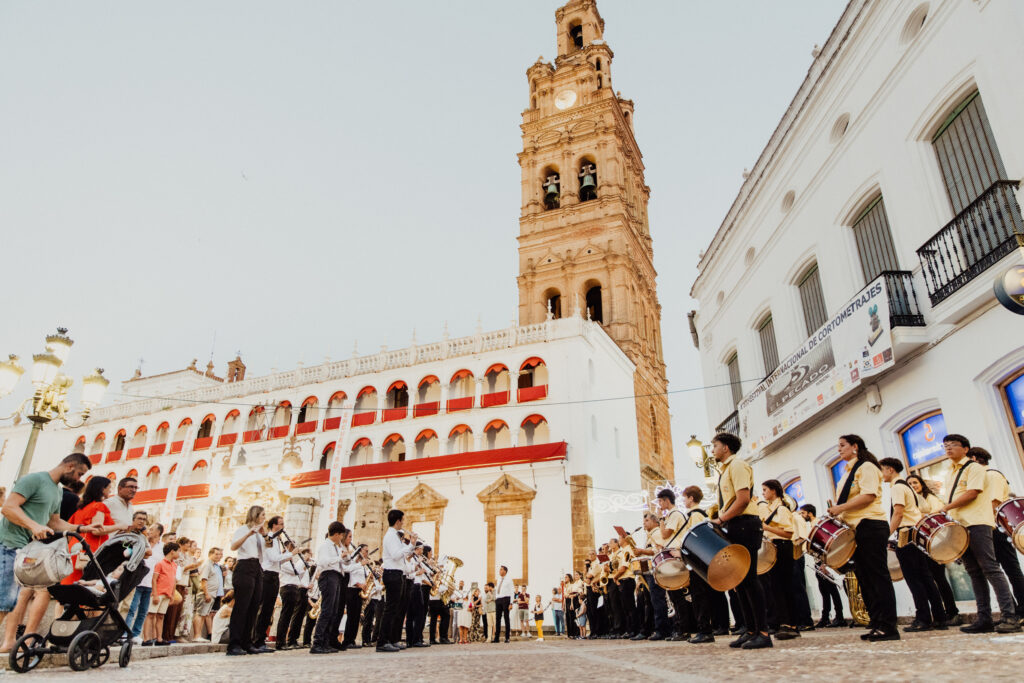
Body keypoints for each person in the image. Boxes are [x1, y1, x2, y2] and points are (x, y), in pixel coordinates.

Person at [1, 453, 98, 653]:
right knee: (4, 599)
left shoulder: (57, 491)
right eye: (79, 474)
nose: (79, 480)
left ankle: (9, 642)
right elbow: (8, 508)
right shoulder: (34, 480)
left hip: (24, 549)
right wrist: (33, 526)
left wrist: (81, 529)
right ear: (70, 466)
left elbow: (54, 522)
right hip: (7, 544)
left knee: (11, 601)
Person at [939, 434, 1020, 633]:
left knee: (991, 568)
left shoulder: (974, 468)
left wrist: (945, 507)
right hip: (960, 526)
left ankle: (1010, 616)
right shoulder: (949, 472)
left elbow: (972, 493)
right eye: (945, 446)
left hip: (977, 522)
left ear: (966, 449)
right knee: (974, 572)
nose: (948, 448)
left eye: (953, 445)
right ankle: (984, 618)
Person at [828, 434, 899, 641]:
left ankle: (888, 626)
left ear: (855, 446)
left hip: (870, 524)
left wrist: (840, 508)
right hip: (855, 528)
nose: (839, 449)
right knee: (865, 579)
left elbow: (869, 496)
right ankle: (876, 623)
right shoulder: (848, 471)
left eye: (842, 445)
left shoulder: (867, 466)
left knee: (878, 576)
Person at [709, 433, 771, 650]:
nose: (712, 450)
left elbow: (743, 499)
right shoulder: (726, 469)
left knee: (750, 579)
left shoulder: (737, 465)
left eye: (714, 446)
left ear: (725, 447)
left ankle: (763, 632)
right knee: (740, 581)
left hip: (744, 523)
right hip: (735, 524)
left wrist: (721, 519)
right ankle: (751, 630)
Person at [879, 457, 947, 632]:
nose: (881, 474)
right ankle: (939, 617)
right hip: (916, 533)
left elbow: (899, 513)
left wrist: (886, 534)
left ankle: (923, 618)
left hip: (906, 533)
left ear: (890, 469)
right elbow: (922, 508)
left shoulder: (897, 487)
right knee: (925, 577)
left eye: (882, 470)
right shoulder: (907, 486)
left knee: (913, 578)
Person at [969, 447, 1024, 616]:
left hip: (996, 527)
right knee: (997, 570)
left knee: (1011, 569)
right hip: (986, 527)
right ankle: (1014, 610)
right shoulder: (980, 477)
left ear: (974, 458)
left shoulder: (991, 475)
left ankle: (1022, 609)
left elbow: (993, 503)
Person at [907, 474, 960, 625]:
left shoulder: (930, 498)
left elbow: (938, 515)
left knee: (939, 578)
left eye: (915, 482)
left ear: (921, 484)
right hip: (922, 544)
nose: (913, 485)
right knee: (930, 580)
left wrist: (921, 516)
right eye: (909, 483)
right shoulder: (912, 500)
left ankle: (953, 612)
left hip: (936, 543)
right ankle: (940, 613)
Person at [62, 476, 130, 585]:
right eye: (109, 487)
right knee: (84, 585)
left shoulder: (82, 507)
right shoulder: (99, 506)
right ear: (102, 489)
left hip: (75, 547)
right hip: (89, 549)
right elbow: (97, 530)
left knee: (69, 585)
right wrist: (119, 526)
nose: (110, 490)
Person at [759, 479, 800, 640]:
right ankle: (782, 621)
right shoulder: (770, 508)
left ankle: (790, 623)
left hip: (782, 546)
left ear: (773, 491)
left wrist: (766, 528)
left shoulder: (781, 508)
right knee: (776, 587)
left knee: (785, 586)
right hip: (774, 546)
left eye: (765, 490)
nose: (763, 494)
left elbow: (789, 533)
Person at [227, 505, 269, 656]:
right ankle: (234, 644)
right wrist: (249, 534)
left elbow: (267, 548)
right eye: (262, 515)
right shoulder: (243, 529)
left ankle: (247, 642)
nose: (264, 518)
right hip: (244, 565)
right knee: (242, 606)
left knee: (253, 606)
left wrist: (264, 535)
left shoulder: (260, 533)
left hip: (257, 566)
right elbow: (233, 546)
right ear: (255, 515)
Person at [798, 505, 845, 627]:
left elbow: (825, 544)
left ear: (809, 513)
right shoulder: (812, 524)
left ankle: (839, 617)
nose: (801, 516)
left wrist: (825, 564)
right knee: (824, 591)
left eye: (803, 513)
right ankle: (825, 617)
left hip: (824, 561)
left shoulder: (818, 523)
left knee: (832, 590)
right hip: (818, 561)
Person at [310, 521, 351, 653]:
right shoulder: (325, 546)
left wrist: (344, 556)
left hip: (337, 576)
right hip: (328, 576)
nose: (342, 539)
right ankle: (317, 643)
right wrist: (339, 557)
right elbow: (322, 562)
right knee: (327, 611)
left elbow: (343, 563)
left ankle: (326, 642)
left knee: (333, 611)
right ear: (337, 534)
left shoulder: (336, 547)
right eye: (341, 535)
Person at [377, 509, 414, 653]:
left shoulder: (395, 536)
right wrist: (411, 544)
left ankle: (392, 639)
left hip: (397, 573)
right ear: (398, 521)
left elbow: (404, 553)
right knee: (390, 609)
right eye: (402, 520)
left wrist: (412, 545)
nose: (403, 523)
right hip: (392, 573)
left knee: (397, 610)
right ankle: (382, 642)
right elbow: (396, 555)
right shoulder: (391, 536)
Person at [252, 516, 291, 651]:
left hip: (274, 575)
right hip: (267, 575)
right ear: (274, 525)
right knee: (264, 609)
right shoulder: (269, 538)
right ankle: (257, 640)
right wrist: (290, 554)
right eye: (281, 524)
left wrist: (287, 556)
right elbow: (273, 558)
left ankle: (260, 639)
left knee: (268, 610)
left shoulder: (276, 540)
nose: (283, 526)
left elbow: (276, 561)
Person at [128, 522, 164, 644]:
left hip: (151, 583)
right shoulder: (142, 541)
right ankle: (125, 633)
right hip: (137, 580)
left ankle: (136, 634)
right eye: (149, 529)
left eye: (153, 529)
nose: (150, 531)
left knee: (143, 611)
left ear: (159, 532)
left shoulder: (162, 547)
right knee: (131, 608)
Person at [147, 541, 180, 645]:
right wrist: (155, 594)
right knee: (151, 615)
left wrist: (172, 594)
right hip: (159, 593)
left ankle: (159, 639)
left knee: (161, 616)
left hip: (167, 594)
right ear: (172, 552)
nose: (179, 554)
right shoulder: (160, 563)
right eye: (178, 551)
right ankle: (146, 639)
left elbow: (173, 580)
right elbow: (154, 579)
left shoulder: (174, 565)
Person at [277, 542, 307, 650]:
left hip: (293, 588)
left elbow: (299, 573)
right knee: (285, 616)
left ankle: (284, 641)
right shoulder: (284, 559)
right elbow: (295, 572)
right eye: (293, 546)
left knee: (288, 616)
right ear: (288, 546)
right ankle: (280, 642)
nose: (295, 548)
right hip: (287, 587)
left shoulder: (290, 560)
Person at [342, 543, 371, 649]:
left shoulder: (363, 565)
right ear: (360, 551)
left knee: (356, 617)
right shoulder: (353, 562)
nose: (367, 553)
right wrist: (360, 584)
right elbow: (351, 575)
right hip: (352, 590)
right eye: (366, 551)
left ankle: (352, 640)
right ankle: (347, 640)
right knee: (351, 616)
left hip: (359, 591)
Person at [194, 547, 224, 642]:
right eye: (216, 554)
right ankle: (196, 635)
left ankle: (199, 635)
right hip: (205, 593)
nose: (218, 556)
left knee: (204, 614)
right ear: (211, 554)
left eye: (220, 554)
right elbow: (204, 579)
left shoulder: (214, 565)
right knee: (200, 613)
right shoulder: (207, 564)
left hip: (212, 593)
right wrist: (206, 593)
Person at [492, 565, 513, 643]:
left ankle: (507, 638)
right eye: (500, 569)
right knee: (498, 619)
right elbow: (498, 590)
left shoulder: (509, 579)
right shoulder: (499, 579)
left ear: (505, 571)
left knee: (506, 618)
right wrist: (496, 598)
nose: (499, 571)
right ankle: (496, 638)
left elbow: (512, 591)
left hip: (506, 599)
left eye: (501, 569)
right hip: (499, 599)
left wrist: (511, 603)